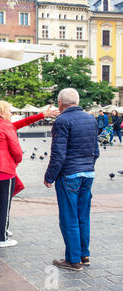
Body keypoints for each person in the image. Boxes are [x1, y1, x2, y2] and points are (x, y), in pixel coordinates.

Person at [0, 102, 59, 248]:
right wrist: (16, 161)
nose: (11, 114)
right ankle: (2, 237)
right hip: (2, 170)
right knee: (4, 204)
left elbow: (22, 123)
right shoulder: (6, 127)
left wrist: (42, 115)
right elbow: (17, 152)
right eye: (9, 111)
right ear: (2, 113)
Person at [44, 88, 99, 272]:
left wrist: (49, 176)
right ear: (77, 101)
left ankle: (73, 259)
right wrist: (88, 166)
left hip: (69, 175)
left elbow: (58, 154)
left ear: (60, 103)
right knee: (83, 216)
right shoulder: (91, 119)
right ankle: (84, 254)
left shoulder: (62, 120)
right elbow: (95, 151)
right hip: (87, 173)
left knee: (69, 218)